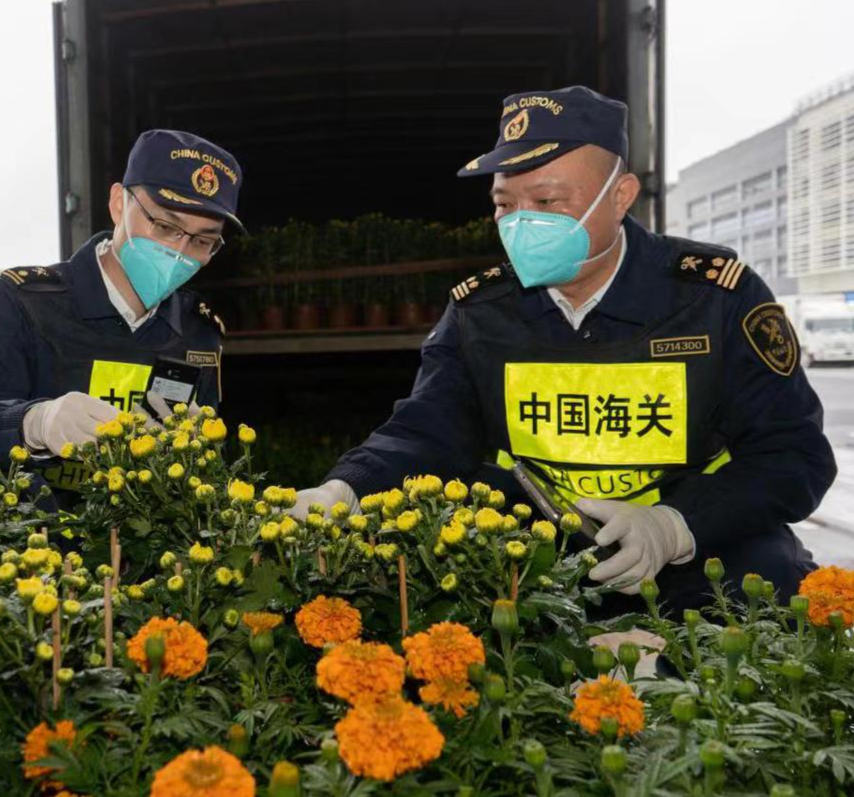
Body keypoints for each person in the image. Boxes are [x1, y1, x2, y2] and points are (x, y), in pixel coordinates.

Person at [294, 86, 836, 615]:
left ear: (620, 196)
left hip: (694, 543)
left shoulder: (714, 298)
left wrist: (673, 525)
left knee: (769, 598)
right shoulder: (483, 311)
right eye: (505, 203)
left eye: (548, 201)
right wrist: (346, 488)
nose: (521, 222)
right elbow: (428, 430)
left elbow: (794, 455)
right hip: (537, 548)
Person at [0, 129, 242, 504]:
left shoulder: (198, 332)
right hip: (33, 549)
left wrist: (192, 456)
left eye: (203, 241)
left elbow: (203, 479)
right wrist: (32, 423)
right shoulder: (21, 304)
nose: (180, 251)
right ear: (119, 204)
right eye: (166, 227)